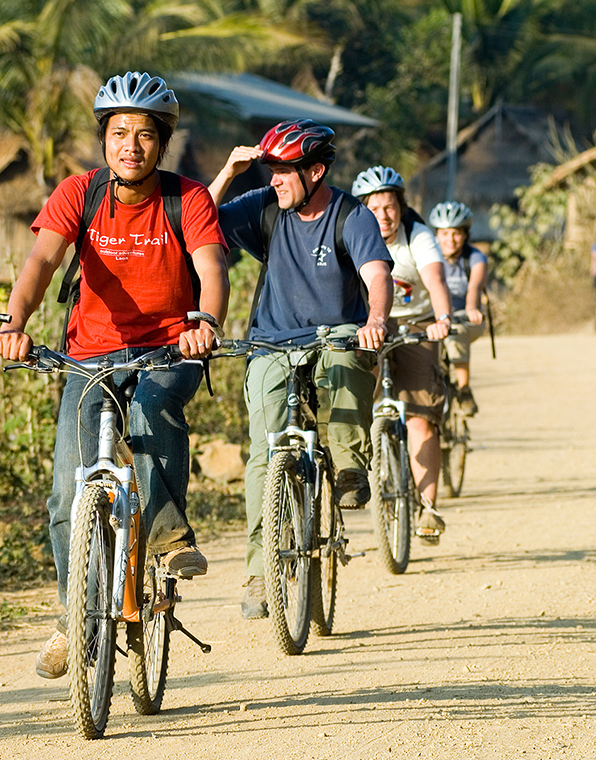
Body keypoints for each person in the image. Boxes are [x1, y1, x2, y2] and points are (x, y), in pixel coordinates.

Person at [0, 72, 230, 677]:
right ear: (103, 139)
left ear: (163, 143)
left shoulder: (189, 199)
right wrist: (11, 322)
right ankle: (74, 619)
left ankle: (170, 538)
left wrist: (203, 322)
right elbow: (41, 261)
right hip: (89, 357)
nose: (131, 145)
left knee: (153, 410)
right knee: (66, 494)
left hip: (166, 351)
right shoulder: (79, 193)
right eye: (119, 132)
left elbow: (210, 268)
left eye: (145, 134)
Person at [209, 120, 393, 619]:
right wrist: (229, 170)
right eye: (270, 171)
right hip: (270, 342)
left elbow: (376, 275)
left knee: (345, 362)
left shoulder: (350, 216)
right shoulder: (265, 208)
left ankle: (350, 466)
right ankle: (258, 571)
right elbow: (197, 223)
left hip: (336, 336)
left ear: (315, 171)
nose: (274, 180)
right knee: (265, 454)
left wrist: (374, 321)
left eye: (285, 171)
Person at [350, 166, 453, 541]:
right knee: (355, 393)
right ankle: (353, 469)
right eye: (375, 207)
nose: (384, 215)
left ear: (401, 206)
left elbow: (436, 280)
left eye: (390, 206)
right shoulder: (354, 235)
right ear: (363, 210)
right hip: (369, 325)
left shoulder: (419, 236)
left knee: (420, 419)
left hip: (418, 324)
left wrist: (442, 319)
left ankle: (428, 509)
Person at [428, 201, 487, 416]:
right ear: (436, 235)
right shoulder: (427, 256)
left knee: (456, 334)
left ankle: (464, 389)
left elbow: (475, 288)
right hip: (433, 317)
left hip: (466, 318)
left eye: (456, 234)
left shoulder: (475, 258)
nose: (450, 240)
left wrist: (472, 308)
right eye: (444, 233)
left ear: (465, 235)